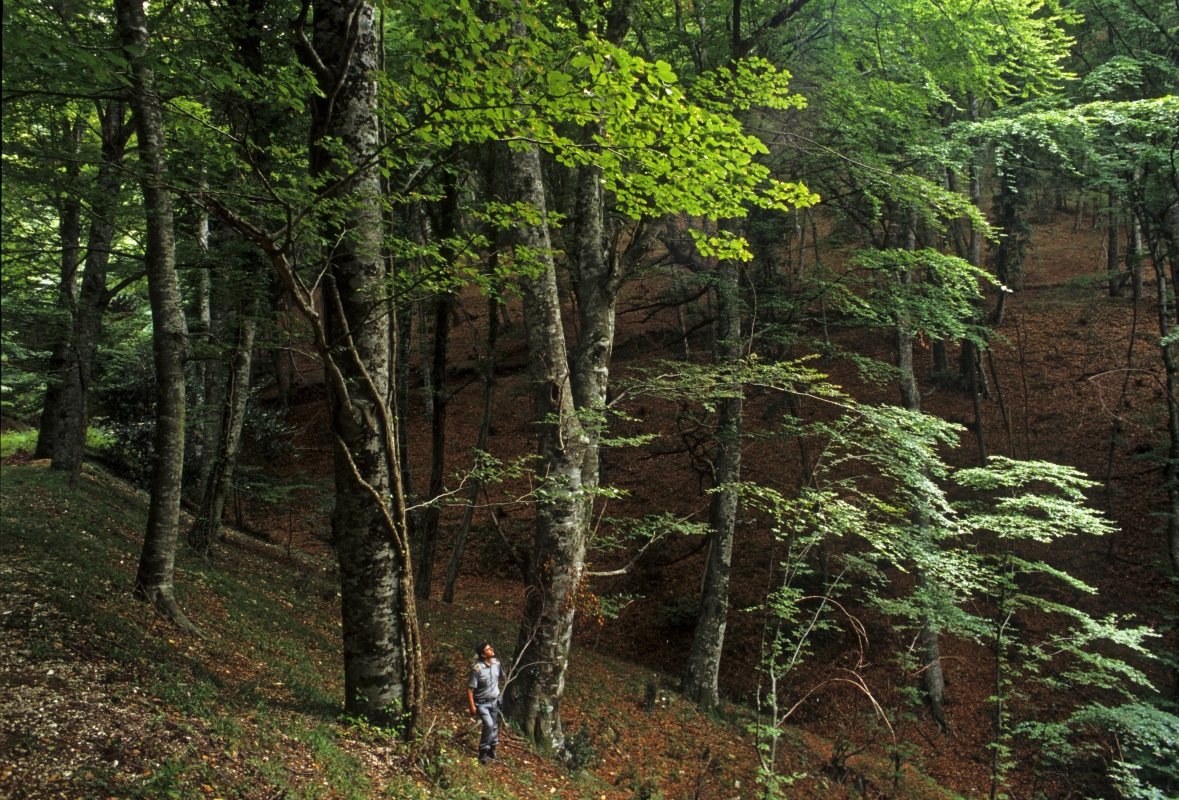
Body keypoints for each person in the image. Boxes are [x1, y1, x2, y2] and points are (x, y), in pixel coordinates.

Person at [467, 641, 503, 764]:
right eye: (488, 649)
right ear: (483, 655)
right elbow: (470, 689)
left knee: (493, 725)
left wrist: (497, 694)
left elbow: (499, 678)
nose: (491, 649)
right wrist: (472, 706)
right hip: (482, 703)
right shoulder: (477, 669)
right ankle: (483, 751)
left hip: (494, 702)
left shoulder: (497, 663)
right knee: (488, 724)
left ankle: (492, 748)